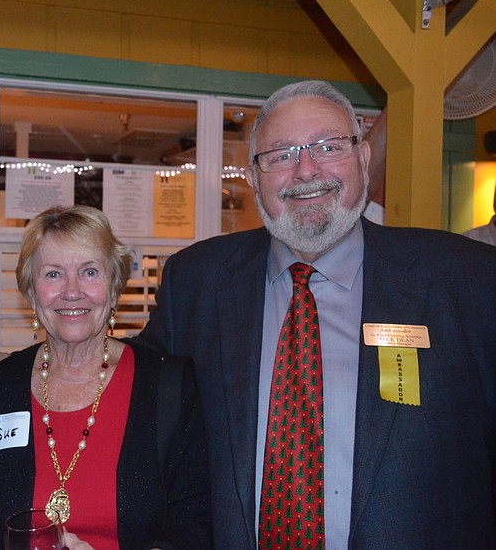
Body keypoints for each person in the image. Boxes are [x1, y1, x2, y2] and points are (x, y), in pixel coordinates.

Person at [136, 80, 496, 549]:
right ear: (252, 176)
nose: (306, 170)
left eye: (328, 147)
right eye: (281, 155)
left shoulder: (468, 281)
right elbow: (135, 408)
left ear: (365, 159)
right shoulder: (198, 282)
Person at [0, 206, 210, 550]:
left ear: (114, 287)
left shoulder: (169, 387)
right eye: (53, 274)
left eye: (89, 272)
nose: (72, 292)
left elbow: (194, 524)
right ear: (30, 292)